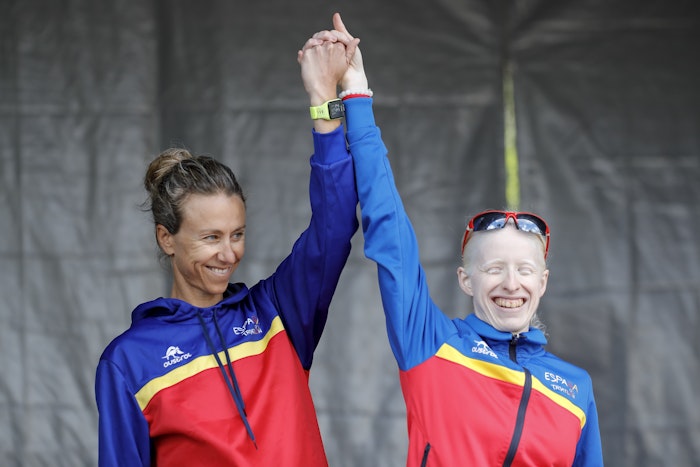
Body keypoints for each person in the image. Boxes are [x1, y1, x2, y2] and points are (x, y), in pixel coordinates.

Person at [303, 14, 604, 466]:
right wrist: (357, 94)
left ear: (542, 281)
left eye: (525, 270)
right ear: (466, 279)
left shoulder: (575, 388)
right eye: (494, 268)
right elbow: (390, 232)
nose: (511, 283)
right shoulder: (431, 342)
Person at [95, 25, 360, 466]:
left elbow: (335, 224)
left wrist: (323, 97)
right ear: (166, 238)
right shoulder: (128, 360)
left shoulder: (278, 313)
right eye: (210, 237)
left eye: (237, 234)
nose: (229, 253)